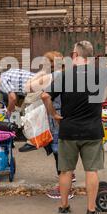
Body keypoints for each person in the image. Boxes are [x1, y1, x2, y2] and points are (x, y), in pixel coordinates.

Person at [42, 41, 107, 214]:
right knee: (91, 171)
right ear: (91, 56)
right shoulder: (101, 74)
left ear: (74, 55)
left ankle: (64, 207)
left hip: (68, 130)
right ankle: (91, 211)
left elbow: (45, 96)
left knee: (66, 171)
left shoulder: (64, 76)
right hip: (92, 131)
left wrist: (54, 114)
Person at [24, 51, 75, 199]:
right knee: (62, 150)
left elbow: (28, 87)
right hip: (65, 114)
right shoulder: (67, 74)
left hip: (56, 117)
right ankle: (69, 179)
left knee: (59, 152)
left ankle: (64, 189)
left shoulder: (54, 76)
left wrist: (42, 72)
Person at [0, 68, 35, 152]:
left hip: (36, 87)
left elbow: (12, 97)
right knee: (23, 111)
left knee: (27, 113)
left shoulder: (2, 80)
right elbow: (14, 96)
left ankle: (32, 142)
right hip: (37, 84)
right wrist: (12, 108)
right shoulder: (7, 74)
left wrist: (9, 110)